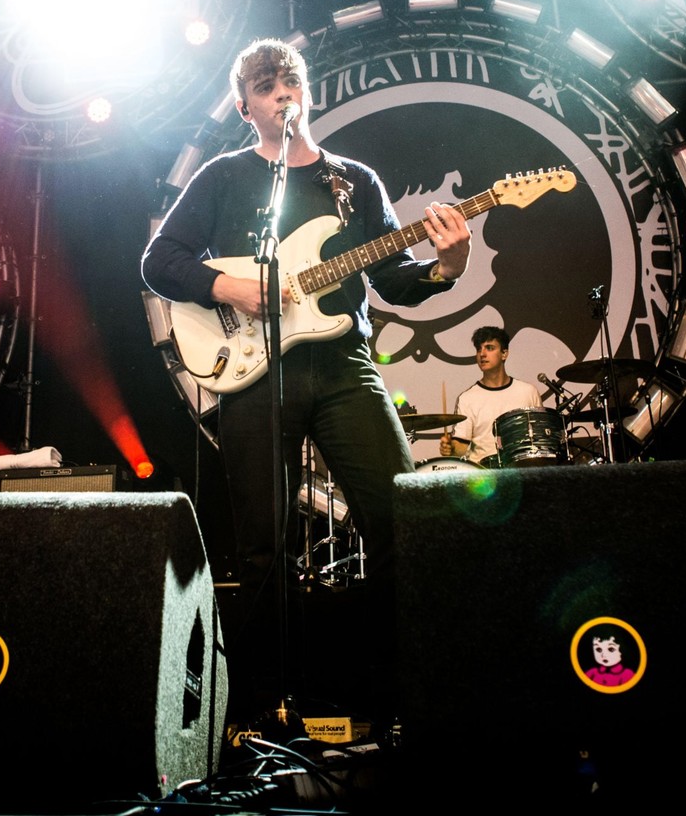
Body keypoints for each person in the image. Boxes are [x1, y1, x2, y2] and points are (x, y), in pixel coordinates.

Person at [141, 37, 472, 716]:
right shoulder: (225, 177)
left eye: (289, 80)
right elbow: (158, 262)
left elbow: (392, 280)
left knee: (402, 518)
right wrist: (227, 285)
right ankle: (264, 711)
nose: (282, 92)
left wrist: (447, 266)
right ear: (245, 107)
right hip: (255, 374)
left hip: (344, 363)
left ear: (306, 90)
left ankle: (402, 694)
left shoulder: (353, 181)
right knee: (263, 548)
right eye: (266, 86)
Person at [445, 325, 544, 465]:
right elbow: (460, 447)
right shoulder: (467, 398)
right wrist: (450, 448)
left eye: (489, 348)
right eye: (479, 349)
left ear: (504, 353)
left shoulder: (528, 392)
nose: (482, 354)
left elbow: (540, 439)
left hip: (522, 471)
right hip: (482, 477)